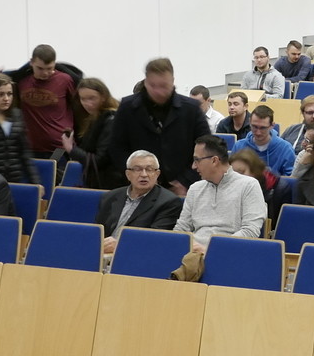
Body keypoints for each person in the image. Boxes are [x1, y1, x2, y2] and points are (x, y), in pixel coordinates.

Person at [105, 58, 211, 192]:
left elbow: (206, 148)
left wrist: (185, 181)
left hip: (182, 187)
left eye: (163, 86)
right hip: (137, 186)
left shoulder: (191, 109)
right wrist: (136, 175)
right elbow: (116, 147)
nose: (158, 92)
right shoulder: (127, 107)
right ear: (145, 82)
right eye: (152, 85)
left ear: (173, 81)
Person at [175, 135, 265, 249]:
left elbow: (250, 232)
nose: (193, 166)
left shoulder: (249, 185)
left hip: (229, 252)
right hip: (193, 252)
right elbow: (181, 229)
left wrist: (210, 249)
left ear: (214, 160)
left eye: (197, 160)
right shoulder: (195, 189)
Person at [96, 150, 184, 254]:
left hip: (137, 254)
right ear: (128, 174)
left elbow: (155, 239)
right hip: (103, 252)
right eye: (137, 169)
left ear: (157, 174)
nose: (144, 174)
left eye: (149, 169)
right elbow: (98, 232)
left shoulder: (169, 202)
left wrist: (120, 245)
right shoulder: (110, 197)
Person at [4, 45, 83, 158]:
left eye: (49, 68)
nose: (45, 73)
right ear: (31, 62)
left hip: (60, 148)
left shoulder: (65, 80)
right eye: (40, 68)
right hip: (30, 149)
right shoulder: (22, 81)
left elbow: (79, 108)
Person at [64, 77, 123, 190]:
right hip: (99, 180)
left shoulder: (110, 120)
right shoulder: (94, 118)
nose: (87, 103)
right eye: (83, 99)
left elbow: (99, 160)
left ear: (103, 97)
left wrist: (72, 149)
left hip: (109, 183)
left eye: (92, 98)